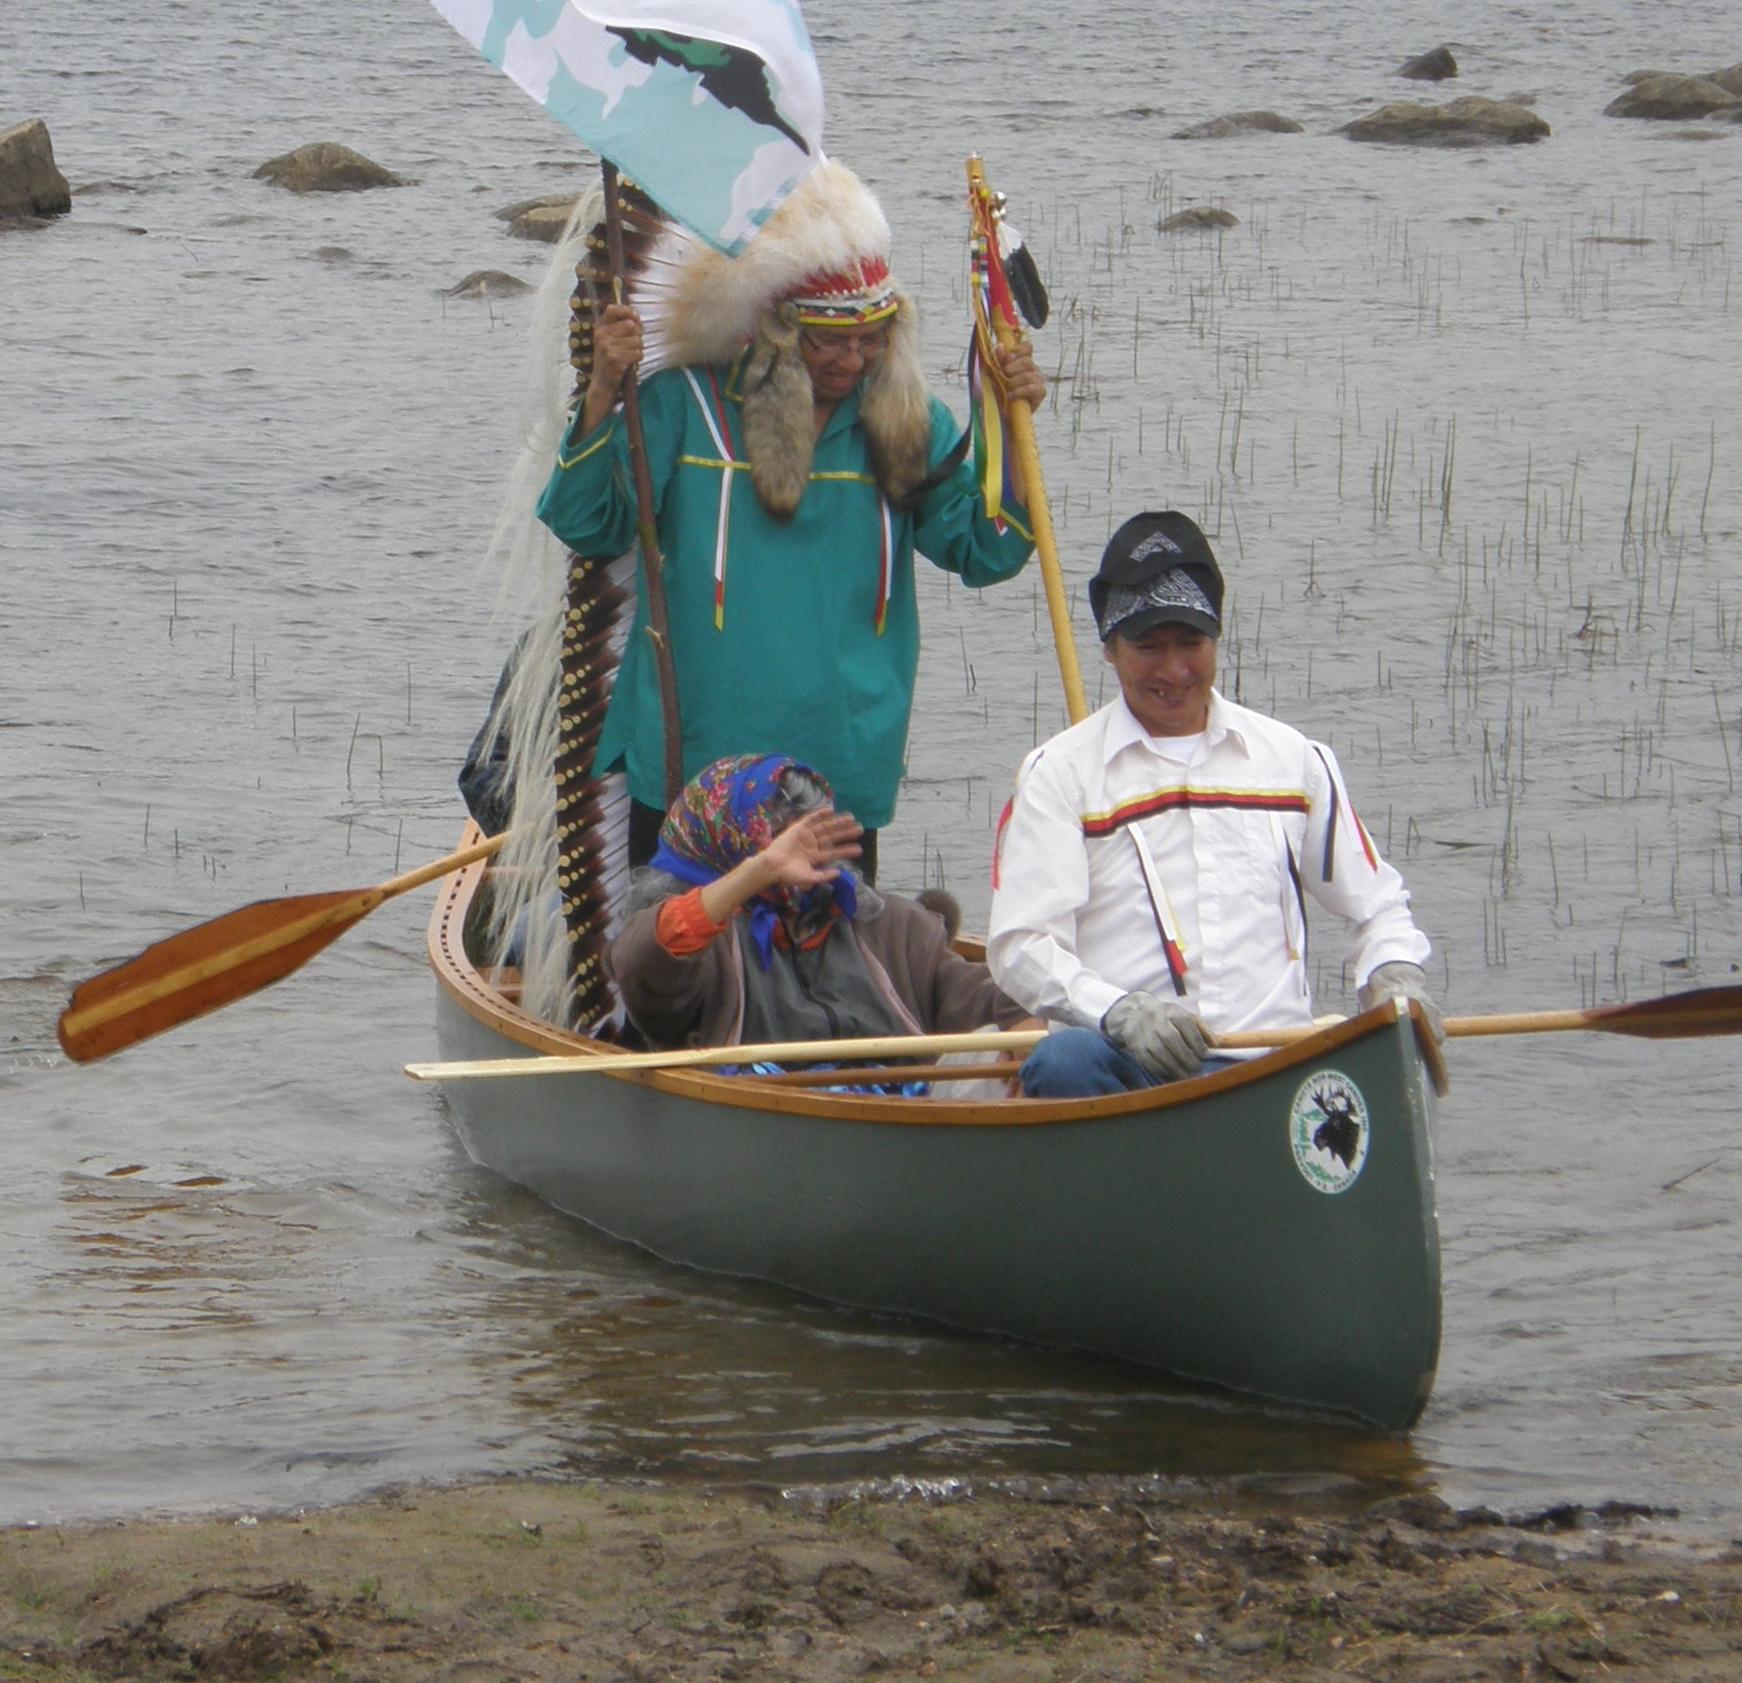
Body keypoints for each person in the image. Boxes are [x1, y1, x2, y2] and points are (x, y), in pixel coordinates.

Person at [535, 161, 1046, 876]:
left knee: (826, 945)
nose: (852, 359)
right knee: (681, 941)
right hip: (693, 756)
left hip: (840, 760)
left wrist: (1010, 430)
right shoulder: (686, 404)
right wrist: (600, 391)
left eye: (872, 338)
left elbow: (986, 550)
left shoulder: (904, 422)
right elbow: (587, 522)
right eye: (828, 339)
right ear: (775, 330)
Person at [987, 511, 1436, 1099]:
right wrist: (1119, 1012)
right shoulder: (1058, 774)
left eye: (1191, 643)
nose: (1173, 670)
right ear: (1111, 650)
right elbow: (1020, 947)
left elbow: (1377, 907)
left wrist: (1394, 974)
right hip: (1131, 1066)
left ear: (1217, 639)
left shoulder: (1295, 760)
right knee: (1061, 1060)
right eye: (1148, 646)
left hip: (1276, 1064)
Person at [609, 753, 1028, 1059]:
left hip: (904, 1114)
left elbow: (980, 997)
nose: (809, 852)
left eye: (815, 829)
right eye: (783, 836)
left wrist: (1023, 1019)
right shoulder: (700, 944)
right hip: (760, 1122)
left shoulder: (892, 926)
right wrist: (759, 871)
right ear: (730, 841)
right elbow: (644, 963)